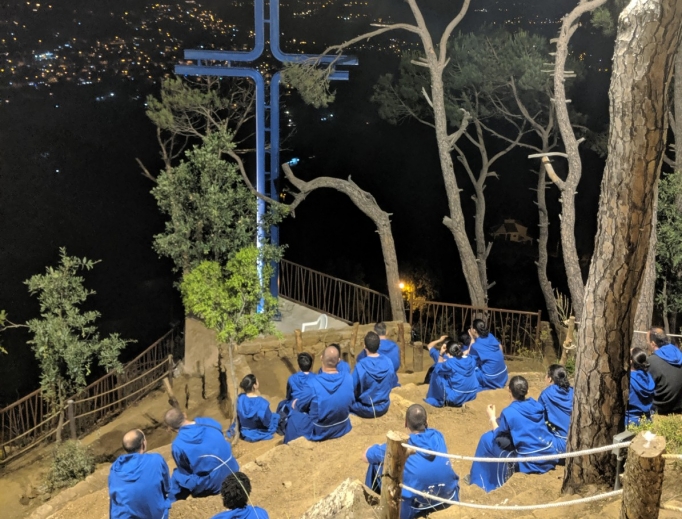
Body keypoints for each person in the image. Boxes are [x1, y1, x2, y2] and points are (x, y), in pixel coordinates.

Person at [364, 404, 459, 519]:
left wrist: (379, 447)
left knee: (376, 464)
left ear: (405, 423)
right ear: (426, 421)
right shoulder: (438, 435)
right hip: (448, 497)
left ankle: (373, 504)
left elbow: (365, 456)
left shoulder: (401, 445)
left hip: (415, 506)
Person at [468, 376, 557, 493]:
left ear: (509, 391)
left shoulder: (509, 412)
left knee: (487, 439)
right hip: (549, 455)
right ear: (527, 391)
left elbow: (499, 436)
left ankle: (479, 481)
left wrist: (492, 417)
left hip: (530, 463)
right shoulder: (537, 406)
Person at [164, 408, 239, 501]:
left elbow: (185, 470)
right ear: (185, 414)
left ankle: (170, 503)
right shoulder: (209, 422)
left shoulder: (178, 445)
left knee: (177, 475)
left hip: (213, 484)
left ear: (170, 428)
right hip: (233, 468)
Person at [285, 345, 354, 442]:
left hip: (321, 430)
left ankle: (289, 448)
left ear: (321, 358)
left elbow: (300, 406)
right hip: (343, 425)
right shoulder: (348, 378)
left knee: (293, 417)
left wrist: (294, 403)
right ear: (339, 360)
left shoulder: (312, 384)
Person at [108, 429, 171, 519]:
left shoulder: (115, 468)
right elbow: (167, 487)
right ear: (143, 444)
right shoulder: (156, 459)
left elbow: (113, 497)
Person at [351, 331, 399, 418]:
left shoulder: (361, 366)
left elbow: (350, 388)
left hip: (367, 408)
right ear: (379, 345)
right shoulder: (388, 362)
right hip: (384, 406)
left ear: (364, 346)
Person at [424, 339, 479, 408]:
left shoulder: (451, 363)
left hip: (457, 398)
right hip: (472, 395)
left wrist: (441, 354)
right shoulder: (471, 359)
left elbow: (438, 368)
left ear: (449, 353)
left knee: (437, 373)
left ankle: (436, 397)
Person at [276, 352, 315, 435]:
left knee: (281, 405)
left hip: (295, 404)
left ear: (299, 364)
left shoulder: (292, 378)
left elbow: (288, 395)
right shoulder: (316, 378)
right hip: (311, 405)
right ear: (311, 365)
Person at [538, 364, 573, 454]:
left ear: (550, 379)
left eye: (546, 375)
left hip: (563, 444)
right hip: (579, 442)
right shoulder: (573, 391)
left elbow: (539, 418)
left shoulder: (546, 394)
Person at [646, 327, 682, 415]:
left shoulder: (652, 361)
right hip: (679, 405)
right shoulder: (679, 354)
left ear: (653, 344)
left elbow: (645, 387)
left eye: (647, 341)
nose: (646, 343)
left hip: (661, 407)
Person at [236, 374, 280, 442]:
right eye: (257, 381)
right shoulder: (262, 403)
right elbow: (267, 423)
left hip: (245, 430)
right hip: (258, 429)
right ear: (254, 385)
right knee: (276, 417)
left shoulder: (240, 398)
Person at [468, 319, 508, 390]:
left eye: (471, 327)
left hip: (491, 378)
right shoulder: (490, 336)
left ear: (474, 330)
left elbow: (469, 361)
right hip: (503, 374)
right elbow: (500, 346)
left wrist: (472, 339)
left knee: (469, 369)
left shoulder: (475, 346)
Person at [626, 347, 655, 426]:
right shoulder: (648, 377)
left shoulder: (628, 380)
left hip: (630, 421)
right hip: (648, 420)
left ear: (631, 361)